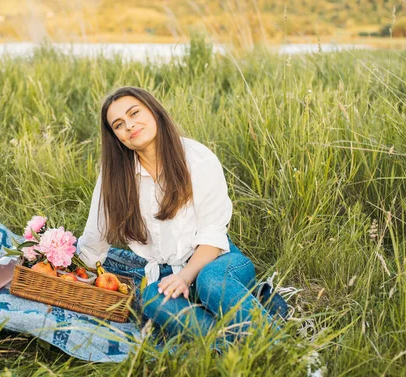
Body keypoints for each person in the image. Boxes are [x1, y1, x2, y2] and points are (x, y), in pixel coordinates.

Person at [76, 86, 286, 343]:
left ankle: (284, 349)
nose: (129, 126)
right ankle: (240, 346)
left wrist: (186, 277)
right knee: (153, 298)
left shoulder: (197, 159)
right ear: (116, 136)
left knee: (210, 281)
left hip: (218, 261)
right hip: (168, 273)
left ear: (153, 111)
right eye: (119, 124)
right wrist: (70, 271)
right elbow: (95, 235)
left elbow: (213, 234)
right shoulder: (115, 178)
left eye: (134, 113)